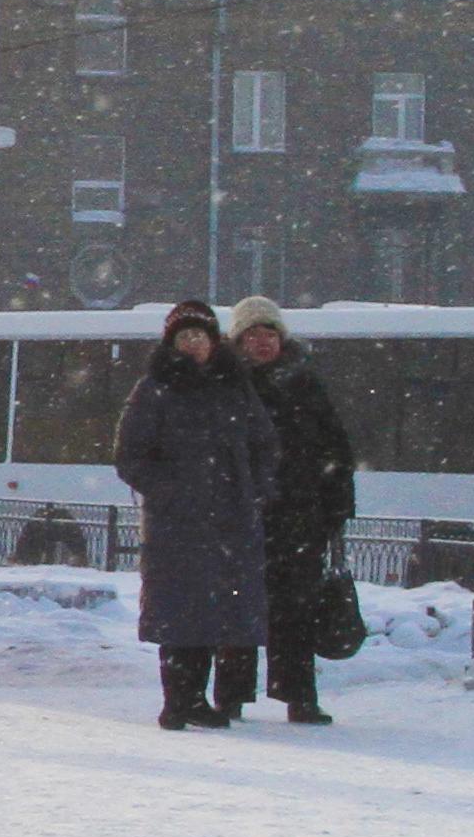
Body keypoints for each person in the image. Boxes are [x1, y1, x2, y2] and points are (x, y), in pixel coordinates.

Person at [112, 299, 275, 729]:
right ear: (172, 343)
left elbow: (264, 444)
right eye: (184, 337)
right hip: (177, 524)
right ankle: (178, 700)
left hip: (230, 520)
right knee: (180, 613)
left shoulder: (235, 387)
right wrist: (171, 490)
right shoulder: (154, 390)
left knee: (214, 613)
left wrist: (254, 489)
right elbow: (130, 457)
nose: (192, 344)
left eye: (199, 335)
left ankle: (195, 698)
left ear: (213, 341)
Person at [229, 295, 354, 724]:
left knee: (295, 610)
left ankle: (299, 696)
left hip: (299, 519)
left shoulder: (304, 383)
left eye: (270, 333)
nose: (262, 342)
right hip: (241, 517)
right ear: (239, 340)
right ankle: (231, 695)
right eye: (253, 334)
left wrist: (335, 511)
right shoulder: (226, 385)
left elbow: (335, 449)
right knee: (237, 608)